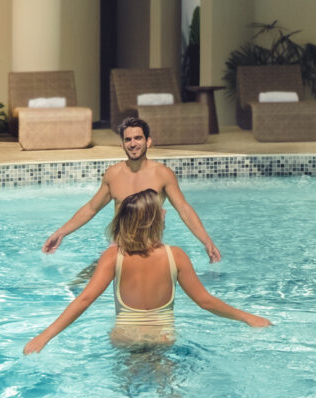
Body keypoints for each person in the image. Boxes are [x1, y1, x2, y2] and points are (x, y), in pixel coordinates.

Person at [24, 189, 269, 354]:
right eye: (161, 210)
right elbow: (205, 302)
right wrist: (249, 317)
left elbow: (85, 299)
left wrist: (44, 337)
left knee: (125, 391)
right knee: (167, 389)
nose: (165, 212)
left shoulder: (112, 257)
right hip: (163, 339)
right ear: (153, 220)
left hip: (124, 338)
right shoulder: (176, 256)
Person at [40, 113, 221, 261]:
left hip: (151, 250)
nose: (133, 144)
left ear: (148, 141)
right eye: (128, 140)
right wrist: (61, 233)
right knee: (79, 286)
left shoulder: (163, 174)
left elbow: (184, 209)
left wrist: (206, 241)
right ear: (122, 145)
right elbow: (91, 208)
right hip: (119, 248)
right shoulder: (113, 174)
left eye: (138, 138)